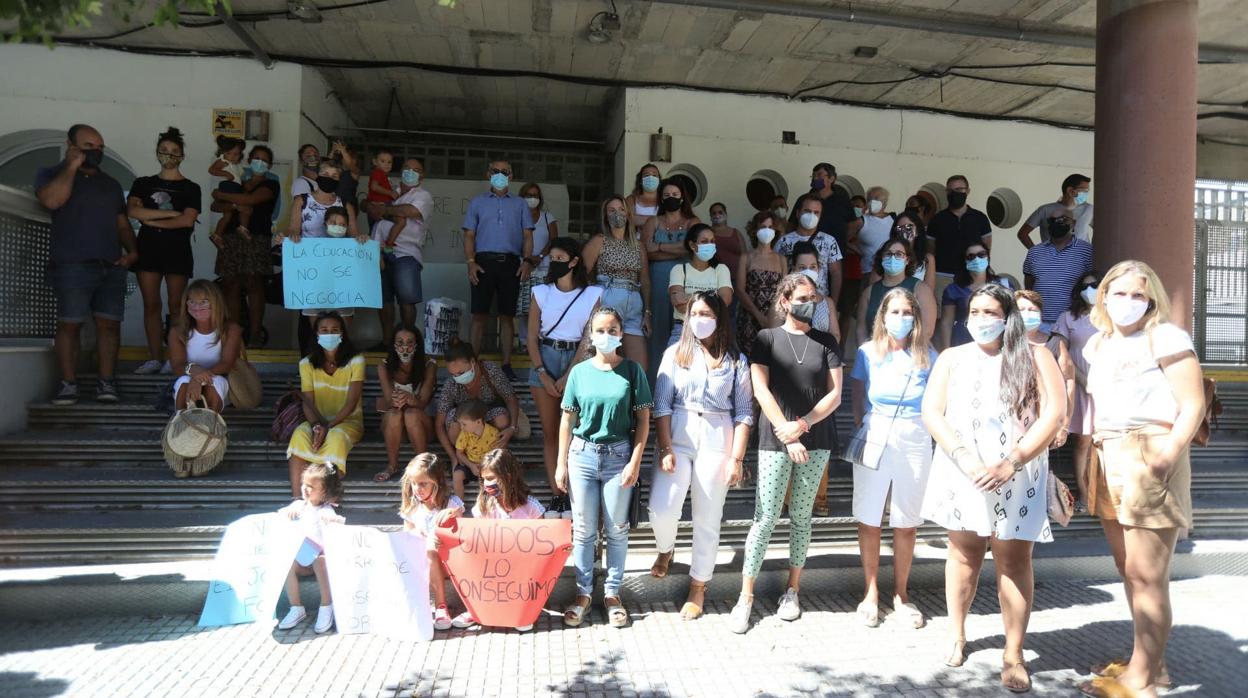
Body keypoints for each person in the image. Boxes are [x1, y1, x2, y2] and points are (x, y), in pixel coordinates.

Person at [920, 284, 1066, 692]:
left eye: (990, 312)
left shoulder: (1036, 355)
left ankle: (1014, 653)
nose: (981, 319)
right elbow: (932, 411)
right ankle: (957, 632)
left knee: (1013, 561)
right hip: (963, 470)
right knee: (963, 554)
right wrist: (965, 458)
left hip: (1018, 474)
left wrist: (1012, 461)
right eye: (975, 311)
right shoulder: (952, 357)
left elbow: (1053, 413)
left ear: (1008, 317)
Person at [1078, 261, 1204, 698]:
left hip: (1148, 449)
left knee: (1149, 575)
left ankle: (1144, 680)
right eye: (1119, 292)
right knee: (1128, 569)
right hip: (1107, 452)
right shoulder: (1097, 343)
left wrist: (1167, 456)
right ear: (1103, 295)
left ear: (1152, 299)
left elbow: (1193, 403)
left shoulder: (1165, 336)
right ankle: (1151, 663)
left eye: (1138, 294)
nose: (1127, 302)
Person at [729, 272, 843, 635]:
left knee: (802, 517)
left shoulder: (827, 341)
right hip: (775, 439)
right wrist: (787, 434)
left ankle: (793, 590)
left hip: (817, 439)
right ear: (784, 301)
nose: (809, 302)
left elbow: (835, 395)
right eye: (802, 297)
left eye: (814, 296)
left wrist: (803, 426)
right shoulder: (766, 338)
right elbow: (760, 390)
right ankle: (745, 596)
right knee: (764, 517)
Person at [648, 291, 752, 621]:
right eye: (694, 313)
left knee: (708, 515)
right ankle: (666, 547)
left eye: (707, 313)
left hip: (718, 435)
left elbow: (745, 413)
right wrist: (664, 446)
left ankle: (699, 585)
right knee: (663, 507)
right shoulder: (674, 353)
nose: (700, 319)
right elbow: (661, 404)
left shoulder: (736, 360)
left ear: (719, 318)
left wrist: (736, 458)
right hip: (678, 433)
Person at [556, 307, 653, 628]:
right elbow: (567, 419)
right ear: (590, 334)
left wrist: (635, 462)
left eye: (612, 330)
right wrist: (560, 464)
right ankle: (583, 593)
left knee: (617, 529)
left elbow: (643, 420)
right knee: (583, 530)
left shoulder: (633, 371)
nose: (606, 336)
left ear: (621, 334)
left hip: (619, 457)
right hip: (581, 455)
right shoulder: (580, 372)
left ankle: (612, 593)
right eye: (600, 330)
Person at [849, 288, 937, 629]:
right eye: (895, 312)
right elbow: (857, 394)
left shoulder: (928, 354)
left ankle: (901, 593)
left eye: (907, 312)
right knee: (869, 515)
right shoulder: (867, 352)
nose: (901, 318)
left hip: (915, 435)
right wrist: (864, 423)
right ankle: (870, 592)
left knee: (907, 519)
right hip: (876, 432)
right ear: (882, 316)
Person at [36, 124, 138, 405]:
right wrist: (71, 166)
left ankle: (107, 384)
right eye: (89, 146)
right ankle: (68, 384)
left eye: (100, 147)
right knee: (70, 325)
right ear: (71, 144)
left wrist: (132, 252)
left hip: (111, 264)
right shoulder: (50, 175)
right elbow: (52, 200)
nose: (96, 151)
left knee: (110, 325)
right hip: (72, 264)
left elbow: (122, 223)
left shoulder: (111, 184)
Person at [527, 237, 601, 510]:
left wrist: (570, 373)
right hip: (545, 356)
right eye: (552, 258)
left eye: (560, 258)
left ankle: (576, 492)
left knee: (574, 430)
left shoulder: (593, 293)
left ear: (574, 262)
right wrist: (542, 373)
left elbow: (588, 337)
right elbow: (532, 337)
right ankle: (557, 494)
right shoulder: (540, 292)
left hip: (578, 360)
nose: (555, 263)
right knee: (550, 432)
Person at [127, 127, 202, 375]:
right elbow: (133, 211)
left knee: (177, 305)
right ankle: (154, 357)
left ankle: (176, 357)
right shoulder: (143, 183)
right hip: (148, 248)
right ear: (157, 152)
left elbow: (187, 221)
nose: (168, 155)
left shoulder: (191, 187)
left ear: (182, 155)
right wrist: (170, 213)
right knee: (151, 304)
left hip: (177, 249)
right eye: (164, 151)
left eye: (174, 151)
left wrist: (152, 221)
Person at [462, 159, 535, 380]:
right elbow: (469, 235)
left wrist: (527, 261)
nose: (500, 175)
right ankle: (472, 364)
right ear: (488, 174)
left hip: (511, 263)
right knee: (479, 314)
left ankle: (506, 364)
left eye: (505, 172)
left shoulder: (521, 204)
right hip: (482, 262)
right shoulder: (477, 202)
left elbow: (528, 235)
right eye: (496, 171)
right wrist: (471, 262)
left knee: (507, 316)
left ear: (511, 177)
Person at [285, 312, 365, 498]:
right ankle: (297, 499)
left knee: (336, 437)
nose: (330, 334)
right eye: (324, 330)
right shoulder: (306, 364)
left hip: (348, 422)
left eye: (334, 330)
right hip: (318, 422)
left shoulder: (356, 360)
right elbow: (308, 402)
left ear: (343, 333)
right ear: (316, 334)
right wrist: (316, 426)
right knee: (299, 434)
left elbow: (352, 402)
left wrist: (328, 427)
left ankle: (327, 500)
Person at [211, 144, 279, 348]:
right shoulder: (238, 178)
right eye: (256, 158)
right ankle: (234, 334)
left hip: (256, 237)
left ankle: (255, 334)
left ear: (270, 165)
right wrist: (232, 204)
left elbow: (250, 200)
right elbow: (214, 206)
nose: (260, 162)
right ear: (248, 160)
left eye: (264, 160)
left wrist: (222, 196)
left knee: (254, 283)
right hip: (231, 236)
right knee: (230, 283)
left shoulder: (271, 183)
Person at [583, 196, 651, 371]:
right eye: (611, 210)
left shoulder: (639, 245)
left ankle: (634, 399)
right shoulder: (600, 240)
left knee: (639, 368)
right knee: (606, 362)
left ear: (628, 214)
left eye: (621, 209)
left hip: (634, 304)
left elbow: (644, 281)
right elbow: (581, 273)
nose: (617, 214)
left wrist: (647, 312)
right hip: (609, 298)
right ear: (605, 216)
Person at [1052, 272, 1102, 507]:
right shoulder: (1068, 318)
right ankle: (1084, 492)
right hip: (1080, 385)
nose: (1090, 289)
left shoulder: (1111, 318)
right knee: (1083, 441)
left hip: (1108, 388)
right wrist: (1083, 380)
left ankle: (1102, 494)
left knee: (1102, 442)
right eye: (1086, 286)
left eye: (1095, 285)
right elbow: (1062, 353)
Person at [398, 453, 464, 632]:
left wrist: (451, 513)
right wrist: (413, 533)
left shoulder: (450, 503)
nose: (417, 488)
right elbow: (406, 535)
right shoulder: (412, 508)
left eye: (423, 483)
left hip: (446, 561)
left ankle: (441, 605)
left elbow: (459, 519)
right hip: (421, 562)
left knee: (431, 549)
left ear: (436, 482)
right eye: (413, 483)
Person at [276, 463, 345, 634]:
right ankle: (296, 607)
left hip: (322, 562)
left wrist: (332, 521)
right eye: (304, 484)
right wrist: (287, 514)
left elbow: (339, 523)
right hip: (303, 559)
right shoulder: (298, 506)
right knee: (287, 565)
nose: (306, 489)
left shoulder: (327, 510)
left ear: (324, 491)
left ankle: (326, 605)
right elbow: (280, 515)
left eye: (311, 486)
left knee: (320, 560)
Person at [371, 158, 433, 341]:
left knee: (407, 301)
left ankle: (407, 341)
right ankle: (387, 342)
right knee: (384, 301)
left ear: (422, 176)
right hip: (381, 253)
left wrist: (384, 210)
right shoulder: (392, 193)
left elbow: (410, 211)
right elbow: (368, 205)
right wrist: (373, 207)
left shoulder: (423, 196)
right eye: (407, 168)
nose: (411, 172)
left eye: (416, 169)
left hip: (406, 255)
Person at [643, 179, 701, 375]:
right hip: (658, 283)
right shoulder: (653, 222)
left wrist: (659, 247)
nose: (671, 198)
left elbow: (693, 248)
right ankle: (653, 391)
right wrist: (679, 250)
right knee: (657, 336)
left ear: (682, 197)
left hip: (687, 283)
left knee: (685, 332)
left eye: (675, 195)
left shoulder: (693, 222)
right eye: (666, 195)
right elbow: (646, 252)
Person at [434, 341, 520, 472]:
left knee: (501, 417)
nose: (458, 377)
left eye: (461, 372)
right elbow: (439, 424)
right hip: (465, 433)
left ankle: (495, 459)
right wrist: (453, 457)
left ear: (473, 362)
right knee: (453, 420)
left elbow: (510, 398)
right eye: (454, 374)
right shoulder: (451, 385)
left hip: (489, 421)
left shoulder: (490, 371)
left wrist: (512, 428)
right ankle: (465, 459)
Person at [373, 323, 437, 482]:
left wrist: (409, 399)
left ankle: (422, 466)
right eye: (400, 343)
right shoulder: (384, 366)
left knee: (412, 413)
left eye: (410, 343)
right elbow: (388, 402)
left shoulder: (429, 365)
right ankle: (392, 465)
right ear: (393, 345)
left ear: (417, 345)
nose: (405, 348)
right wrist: (395, 400)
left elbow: (422, 403)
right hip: (396, 429)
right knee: (394, 413)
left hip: (422, 427)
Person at [169, 279, 242, 414]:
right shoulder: (177, 332)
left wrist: (198, 378)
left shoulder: (231, 329)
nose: (197, 307)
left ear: (216, 303)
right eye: (192, 302)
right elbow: (177, 366)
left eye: (204, 302)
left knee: (215, 382)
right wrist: (194, 372)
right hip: (189, 379)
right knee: (184, 380)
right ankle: (180, 422)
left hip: (221, 383)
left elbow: (226, 364)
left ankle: (210, 424)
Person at [1023, 210, 1095, 333]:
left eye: (1063, 219)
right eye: (1052, 221)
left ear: (1073, 223)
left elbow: (1092, 284)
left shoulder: (1086, 251)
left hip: (1074, 321)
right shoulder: (1034, 252)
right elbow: (1029, 284)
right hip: (1041, 323)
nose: (1057, 223)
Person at [856, 238, 937, 347]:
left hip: (912, 354)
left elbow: (927, 331)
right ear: (881, 259)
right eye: (888, 254)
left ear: (907, 260)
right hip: (876, 354)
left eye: (899, 254)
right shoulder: (869, 292)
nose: (893, 258)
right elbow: (861, 329)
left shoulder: (921, 289)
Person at [927, 175, 992, 306]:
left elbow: (986, 247)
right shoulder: (937, 219)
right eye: (951, 191)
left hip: (972, 276)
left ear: (967, 191)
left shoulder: (980, 218)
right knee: (941, 317)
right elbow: (930, 249)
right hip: (943, 276)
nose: (954, 194)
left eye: (959, 189)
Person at [667, 224, 734, 346]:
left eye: (712, 241)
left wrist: (688, 297)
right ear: (692, 245)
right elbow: (679, 305)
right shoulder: (679, 269)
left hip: (714, 330)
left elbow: (724, 301)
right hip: (683, 330)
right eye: (704, 241)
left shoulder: (721, 269)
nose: (710, 244)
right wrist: (712, 298)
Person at [939, 242, 1011, 349]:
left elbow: (1013, 318)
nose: (977, 259)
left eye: (981, 254)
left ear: (988, 257)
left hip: (998, 343)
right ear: (965, 261)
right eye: (971, 256)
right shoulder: (953, 290)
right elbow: (947, 323)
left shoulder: (1004, 285)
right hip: (963, 342)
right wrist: (945, 351)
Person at [775, 194, 844, 305]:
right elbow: (776, 274)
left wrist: (833, 305)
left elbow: (836, 273)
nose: (811, 215)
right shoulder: (784, 242)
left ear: (820, 216)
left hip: (820, 301)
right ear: (797, 213)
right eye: (807, 211)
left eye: (816, 212)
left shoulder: (829, 241)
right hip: (791, 302)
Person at [735, 210, 787, 355]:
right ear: (755, 229)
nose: (767, 230)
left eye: (770, 227)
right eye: (763, 226)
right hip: (749, 317)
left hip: (775, 318)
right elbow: (739, 289)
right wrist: (758, 316)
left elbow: (784, 291)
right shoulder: (746, 257)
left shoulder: (781, 259)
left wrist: (772, 318)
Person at [516, 182, 559, 351]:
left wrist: (540, 256)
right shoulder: (517, 217)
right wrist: (526, 259)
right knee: (523, 306)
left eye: (535, 195)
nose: (532, 198)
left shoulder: (548, 217)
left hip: (544, 267)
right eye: (528, 195)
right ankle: (524, 342)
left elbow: (554, 240)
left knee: (543, 307)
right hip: (522, 266)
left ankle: (541, 341)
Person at [1018, 173, 1093, 248]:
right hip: (1051, 259)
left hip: (1082, 259)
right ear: (1070, 190)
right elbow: (1023, 234)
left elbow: (1101, 232)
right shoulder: (1045, 210)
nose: (1086, 194)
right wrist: (1038, 254)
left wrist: (1093, 253)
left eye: (1087, 191)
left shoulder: (1089, 209)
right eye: (1084, 190)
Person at [788, 241, 841, 341]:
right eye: (802, 267)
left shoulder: (828, 303)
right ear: (794, 269)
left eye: (812, 267)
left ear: (818, 268)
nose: (808, 271)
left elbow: (836, 336)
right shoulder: (784, 302)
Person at [808, 162, 861, 256]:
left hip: (836, 253)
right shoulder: (805, 200)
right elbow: (792, 225)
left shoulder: (843, 201)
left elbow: (854, 224)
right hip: (809, 251)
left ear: (831, 178)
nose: (815, 178)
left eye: (819, 175)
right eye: (813, 175)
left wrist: (843, 239)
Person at [451, 399, 498, 503]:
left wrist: (484, 467)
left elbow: (496, 455)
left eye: (464, 424)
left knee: (491, 478)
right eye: (460, 424)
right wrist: (471, 465)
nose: (461, 427)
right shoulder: (465, 434)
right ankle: (459, 504)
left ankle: (489, 505)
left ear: (478, 421)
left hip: (486, 466)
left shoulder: (493, 434)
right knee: (457, 475)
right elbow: (459, 452)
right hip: (469, 465)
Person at [208, 136, 251, 242]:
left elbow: (241, 178)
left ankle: (217, 235)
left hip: (235, 188)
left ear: (240, 154)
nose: (231, 157)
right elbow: (212, 170)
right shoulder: (223, 161)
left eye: (235, 154)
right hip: (228, 187)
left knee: (228, 216)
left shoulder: (237, 166)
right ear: (223, 152)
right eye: (228, 153)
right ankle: (243, 228)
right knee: (243, 207)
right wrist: (225, 173)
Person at [888, 209, 937, 292]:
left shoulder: (928, 259)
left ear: (917, 231)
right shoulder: (887, 255)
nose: (904, 231)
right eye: (899, 228)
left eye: (909, 227)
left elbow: (929, 291)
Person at [856, 187, 895, 284]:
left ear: (885, 202)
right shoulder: (861, 221)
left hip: (889, 270)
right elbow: (844, 240)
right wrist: (859, 251)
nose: (872, 202)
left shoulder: (893, 221)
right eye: (869, 199)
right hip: (868, 271)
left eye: (877, 198)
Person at [707, 202, 748, 275]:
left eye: (720, 212)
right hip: (714, 276)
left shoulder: (736, 233)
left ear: (725, 214)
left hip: (737, 277)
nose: (717, 215)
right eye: (714, 213)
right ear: (710, 216)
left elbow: (744, 255)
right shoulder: (706, 233)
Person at [624, 163, 662, 230]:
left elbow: (670, 220)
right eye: (646, 175)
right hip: (637, 239)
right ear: (641, 180)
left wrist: (640, 219)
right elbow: (628, 219)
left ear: (659, 180)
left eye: (654, 175)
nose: (651, 178)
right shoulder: (632, 199)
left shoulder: (664, 199)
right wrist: (657, 220)